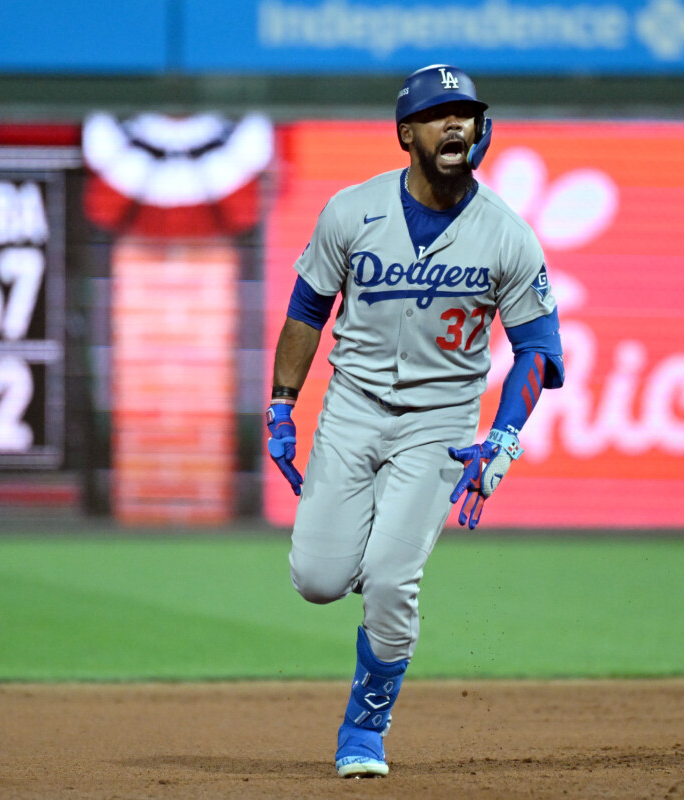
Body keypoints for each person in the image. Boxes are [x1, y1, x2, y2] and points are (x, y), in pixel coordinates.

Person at [264, 64, 564, 778]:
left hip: (442, 420)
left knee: (395, 580)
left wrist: (505, 434)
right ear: (407, 134)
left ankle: (363, 729)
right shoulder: (351, 211)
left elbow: (540, 351)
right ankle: (377, 556)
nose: (456, 124)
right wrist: (281, 404)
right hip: (353, 408)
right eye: (439, 114)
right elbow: (308, 310)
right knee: (316, 578)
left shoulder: (508, 235)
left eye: (466, 112)